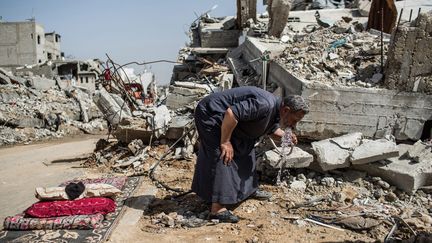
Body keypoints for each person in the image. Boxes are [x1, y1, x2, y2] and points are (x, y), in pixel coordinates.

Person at [192, 86, 309, 223]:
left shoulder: (276, 111)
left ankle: (248, 191)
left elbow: (270, 129)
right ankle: (217, 209)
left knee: (246, 149)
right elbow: (231, 114)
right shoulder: (264, 104)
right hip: (211, 115)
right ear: (286, 110)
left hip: (229, 121)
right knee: (222, 154)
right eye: (294, 120)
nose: (294, 124)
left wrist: (285, 137)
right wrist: (225, 141)